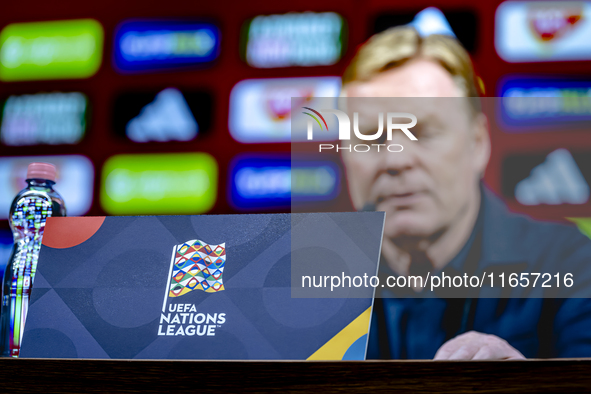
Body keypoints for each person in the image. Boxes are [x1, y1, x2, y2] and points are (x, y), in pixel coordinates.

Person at [339, 26, 591, 360]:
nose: (396, 160)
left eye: (421, 132)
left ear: (478, 143)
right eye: (370, 137)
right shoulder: (293, 279)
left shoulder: (570, 266)